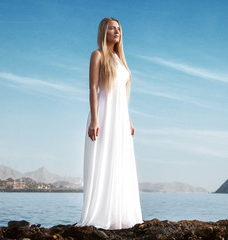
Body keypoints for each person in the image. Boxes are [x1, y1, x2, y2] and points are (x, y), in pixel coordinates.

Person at [77, 17, 143, 230]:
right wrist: (95, 119)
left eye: (119, 29)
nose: (117, 32)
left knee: (120, 162)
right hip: (104, 116)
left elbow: (123, 95)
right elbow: (93, 89)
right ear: (104, 31)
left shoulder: (121, 60)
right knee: (104, 161)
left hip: (121, 119)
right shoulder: (97, 55)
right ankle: (101, 214)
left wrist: (129, 120)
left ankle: (120, 215)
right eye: (112, 28)